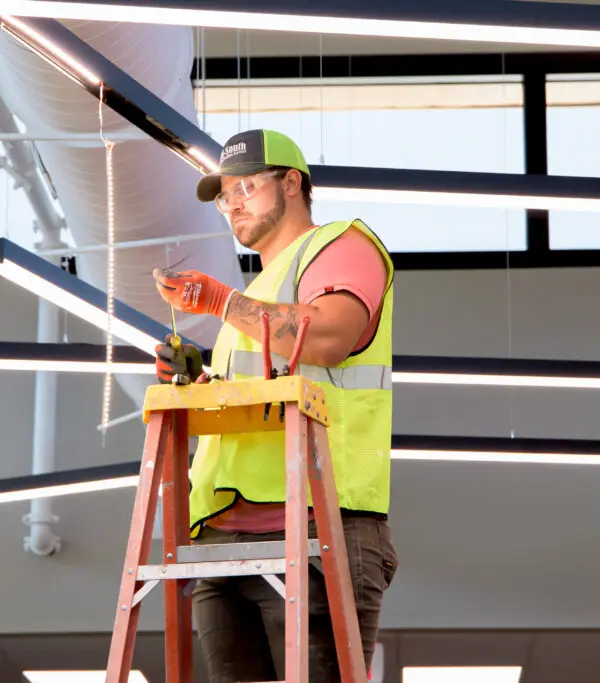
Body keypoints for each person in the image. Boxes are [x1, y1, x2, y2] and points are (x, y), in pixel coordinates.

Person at [151, 129, 398, 683]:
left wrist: (220, 301)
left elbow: (330, 335)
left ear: (292, 184)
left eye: (249, 185)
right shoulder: (260, 292)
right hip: (223, 530)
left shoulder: (342, 245)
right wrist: (196, 378)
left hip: (317, 520)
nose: (233, 201)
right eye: (225, 193)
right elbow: (261, 390)